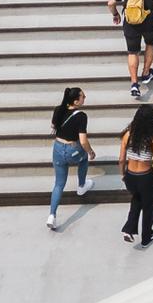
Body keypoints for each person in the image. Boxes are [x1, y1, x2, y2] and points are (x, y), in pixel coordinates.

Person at [48, 86, 95, 231]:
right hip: (72, 150)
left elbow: (53, 126)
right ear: (76, 101)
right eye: (83, 96)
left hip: (57, 148)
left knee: (59, 184)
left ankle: (52, 215)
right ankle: (81, 186)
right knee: (84, 158)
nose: (84, 98)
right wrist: (91, 151)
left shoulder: (58, 109)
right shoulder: (81, 116)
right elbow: (83, 141)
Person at [119, 103, 153, 247]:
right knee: (149, 207)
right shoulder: (152, 139)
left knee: (136, 199)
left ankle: (129, 229)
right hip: (146, 177)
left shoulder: (128, 134)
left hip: (131, 176)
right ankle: (146, 237)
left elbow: (121, 159)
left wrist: (123, 175)